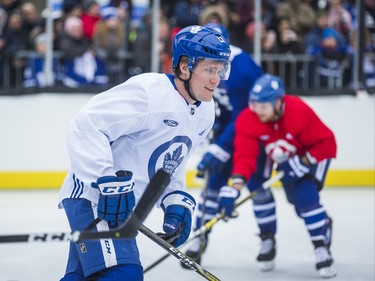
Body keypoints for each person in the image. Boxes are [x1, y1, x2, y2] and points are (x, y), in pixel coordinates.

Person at [58, 25, 231, 281]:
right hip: (93, 197)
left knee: (82, 277)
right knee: (124, 274)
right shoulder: (149, 93)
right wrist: (106, 180)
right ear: (185, 67)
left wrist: (174, 199)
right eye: (209, 70)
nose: (216, 79)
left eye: (220, 70)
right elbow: (86, 126)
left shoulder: (206, 111)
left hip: (122, 207)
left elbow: (172, 161)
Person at [220, 74, 337, 278]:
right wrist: (235, 186)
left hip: (307, 154)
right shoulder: (249, 118)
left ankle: (321, 245)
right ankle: (267, 238)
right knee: (257, 188)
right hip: (275, 154)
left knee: (304, 198)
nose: (257, 110)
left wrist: (303, 162)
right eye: (254, 104)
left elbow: (328, 144)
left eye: (263, 106)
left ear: (278, 102)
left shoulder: (299, 111)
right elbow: (245, 155)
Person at [181, 23, 263, 267]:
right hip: (225, 131)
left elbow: (246, 116)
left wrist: (221, 147)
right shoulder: (200, 63)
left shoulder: (243, 69)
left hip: (250, 132)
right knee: (212, 186)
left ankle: (268, 237)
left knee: (259, 186)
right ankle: (199, 236)